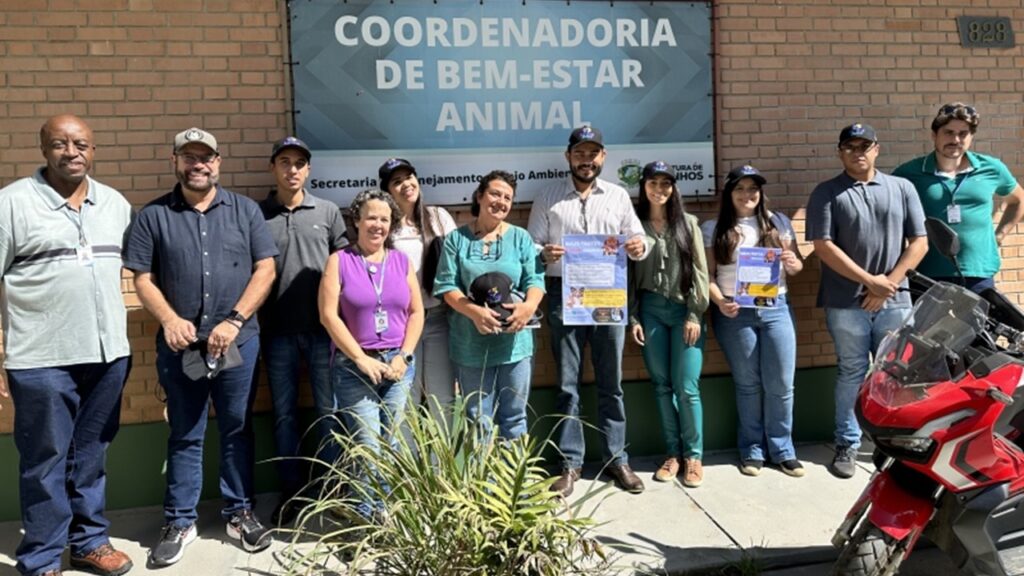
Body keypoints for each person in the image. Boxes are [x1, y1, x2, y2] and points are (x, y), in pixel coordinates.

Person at [124, 127, 279, 566]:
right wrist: (170, 319)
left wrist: (235, 320)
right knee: (185, 432)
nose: (199, 164)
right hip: (182, 347)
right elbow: (141, 278)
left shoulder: (245, 211)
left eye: (206, 157)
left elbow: (265, 269)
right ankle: (179, 520)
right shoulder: (153, 216)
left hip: (238, 341)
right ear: (175, 161)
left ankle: (239, 512)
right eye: (189, 156)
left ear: (218, 162)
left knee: (236, 427)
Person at [0, 115, 133, 576]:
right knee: (45, 460)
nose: (71, 152)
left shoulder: (115, 204)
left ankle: (89, 541)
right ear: (43, 149)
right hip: (40, 358)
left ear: (93, 150)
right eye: (60, 143)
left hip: (107, 354)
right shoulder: (11, 204)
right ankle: (41, 557)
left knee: (92, 455)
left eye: (81, 144)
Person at [526, 125, 651, 497]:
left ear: (603, 157)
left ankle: (617, 458)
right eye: (579, 153)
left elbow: (640, 241)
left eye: (593, 153)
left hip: (609, 295)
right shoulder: (547, 197)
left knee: (611, 383)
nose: (586, 160)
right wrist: (544, 254)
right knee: (567, 384)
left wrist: (636, 248)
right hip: (564, 292)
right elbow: (531, 246)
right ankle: (570, 463)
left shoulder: (617, 196)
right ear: (568, 157)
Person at [806, 123, 928, 479]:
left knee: (894, 375)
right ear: (840, 151)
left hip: (895, 301)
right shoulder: (826, 193)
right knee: (851, 371)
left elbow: (919, 241)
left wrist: (887, 284)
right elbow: (823, 246)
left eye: (865, 145)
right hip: (846, 303)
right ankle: (847, 442)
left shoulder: (901, 188)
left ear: (877, 149)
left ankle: (893, 444)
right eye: (850, 146)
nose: (858, 152)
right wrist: (869, 283)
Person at [318, 189, 424, 521]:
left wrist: (403, 356)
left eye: (384, 219)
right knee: (367, 445)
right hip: (355, 366)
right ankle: (364, 518)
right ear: (357, 220)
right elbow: (328, 315)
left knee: (392, 444)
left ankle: (385, 512)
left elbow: (417, 313)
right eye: (371, 217)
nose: (377, 225)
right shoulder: (339, 261)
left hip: (396, 366)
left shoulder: (401, 261)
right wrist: (361, 359)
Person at [259, 136, 348, 526]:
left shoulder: (328, 211)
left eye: (299, 162)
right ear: (273, 167)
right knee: (284, 416)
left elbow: (347, 266)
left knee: (329, 413)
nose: (292, 169)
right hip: (276, 332)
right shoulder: (256, 213)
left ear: (308, 169)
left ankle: (332, 492)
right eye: (284, 161)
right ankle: (292, 493)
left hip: (322, 332)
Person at [703, 165, 805, 479]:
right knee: (748, 385)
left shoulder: (778, 222)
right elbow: (706, 275)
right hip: (736, 314)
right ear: (729, 194)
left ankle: (783, 450)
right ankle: (752, 449)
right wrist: (720, 301)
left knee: (781, 385)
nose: (747, 195)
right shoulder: (713, 228)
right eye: (740, 189)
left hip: (776, 309)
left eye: (753, 189)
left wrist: (791, 262)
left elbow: (797, 268)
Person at [434, 170, 545, 440]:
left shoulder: (520, 237)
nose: (501, 201)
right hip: (470, 345)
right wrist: (473, 312)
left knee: (514, 418)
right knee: (477, 420)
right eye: (495, 193)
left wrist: (528, 307)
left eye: (508, 197)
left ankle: (512, 482)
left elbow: (535, 279)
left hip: (514, 346)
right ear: (480, 196)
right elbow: (446, 285)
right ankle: (482, 482)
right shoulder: (456, 240)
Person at [627, 161, 709, 487]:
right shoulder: (634, 227)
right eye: (653, 183)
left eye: (666, 184)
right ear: (643, 187)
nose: (659, 190)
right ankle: (673, 454)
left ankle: (694, 456)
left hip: (683, 310)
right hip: (650, 310)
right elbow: (628, 277)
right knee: (661, 385)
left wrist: (694, 314)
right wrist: (633, 316)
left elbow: (701, 272)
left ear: (673, 188)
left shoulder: (688, 224)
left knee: (687, 387)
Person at [893, 102, 1024, 293]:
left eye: (963, 134)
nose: (955, 139)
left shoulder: (992, 168)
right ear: (934, 135)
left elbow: (1018, 200)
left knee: (979, 324)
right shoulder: (909, 173)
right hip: (927, 273)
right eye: (948, 132)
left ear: (971, 137)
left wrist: (1000, 235)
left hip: (978, 271)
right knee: (931, 325)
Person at [378, 158, 458, 420]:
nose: (406, 185)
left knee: (442, 397)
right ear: (387, 190)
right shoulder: (385, 227)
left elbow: (457, 263)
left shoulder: (438, 217)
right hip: (401, 325)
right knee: (405, 400)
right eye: (396, 182)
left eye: (409, 177)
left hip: (438, 318)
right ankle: (408, 461)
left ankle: (441, 462)